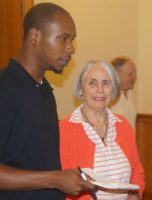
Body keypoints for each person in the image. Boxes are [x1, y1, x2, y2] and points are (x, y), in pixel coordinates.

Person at [0, 3, 95, 200]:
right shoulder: (5, 88)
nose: (70, 49)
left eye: (72, 40)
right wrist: (55, 179)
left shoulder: (45, 91)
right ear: (35, 36)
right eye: (63, 38)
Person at [59, 60, 145, 200]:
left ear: (113, 90)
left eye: (106, 83)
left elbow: (137, 173)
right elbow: (61, 184)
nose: (100, 90)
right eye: (92, 83)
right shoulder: (64, 130)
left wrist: (135, 196)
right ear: (81, 88)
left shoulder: (123, 126)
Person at [110, 56, 137, 130]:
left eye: (135, 73)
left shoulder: (130, 94)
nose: (135, 77)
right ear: (116, 75)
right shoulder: (108, 98)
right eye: (130, 74)